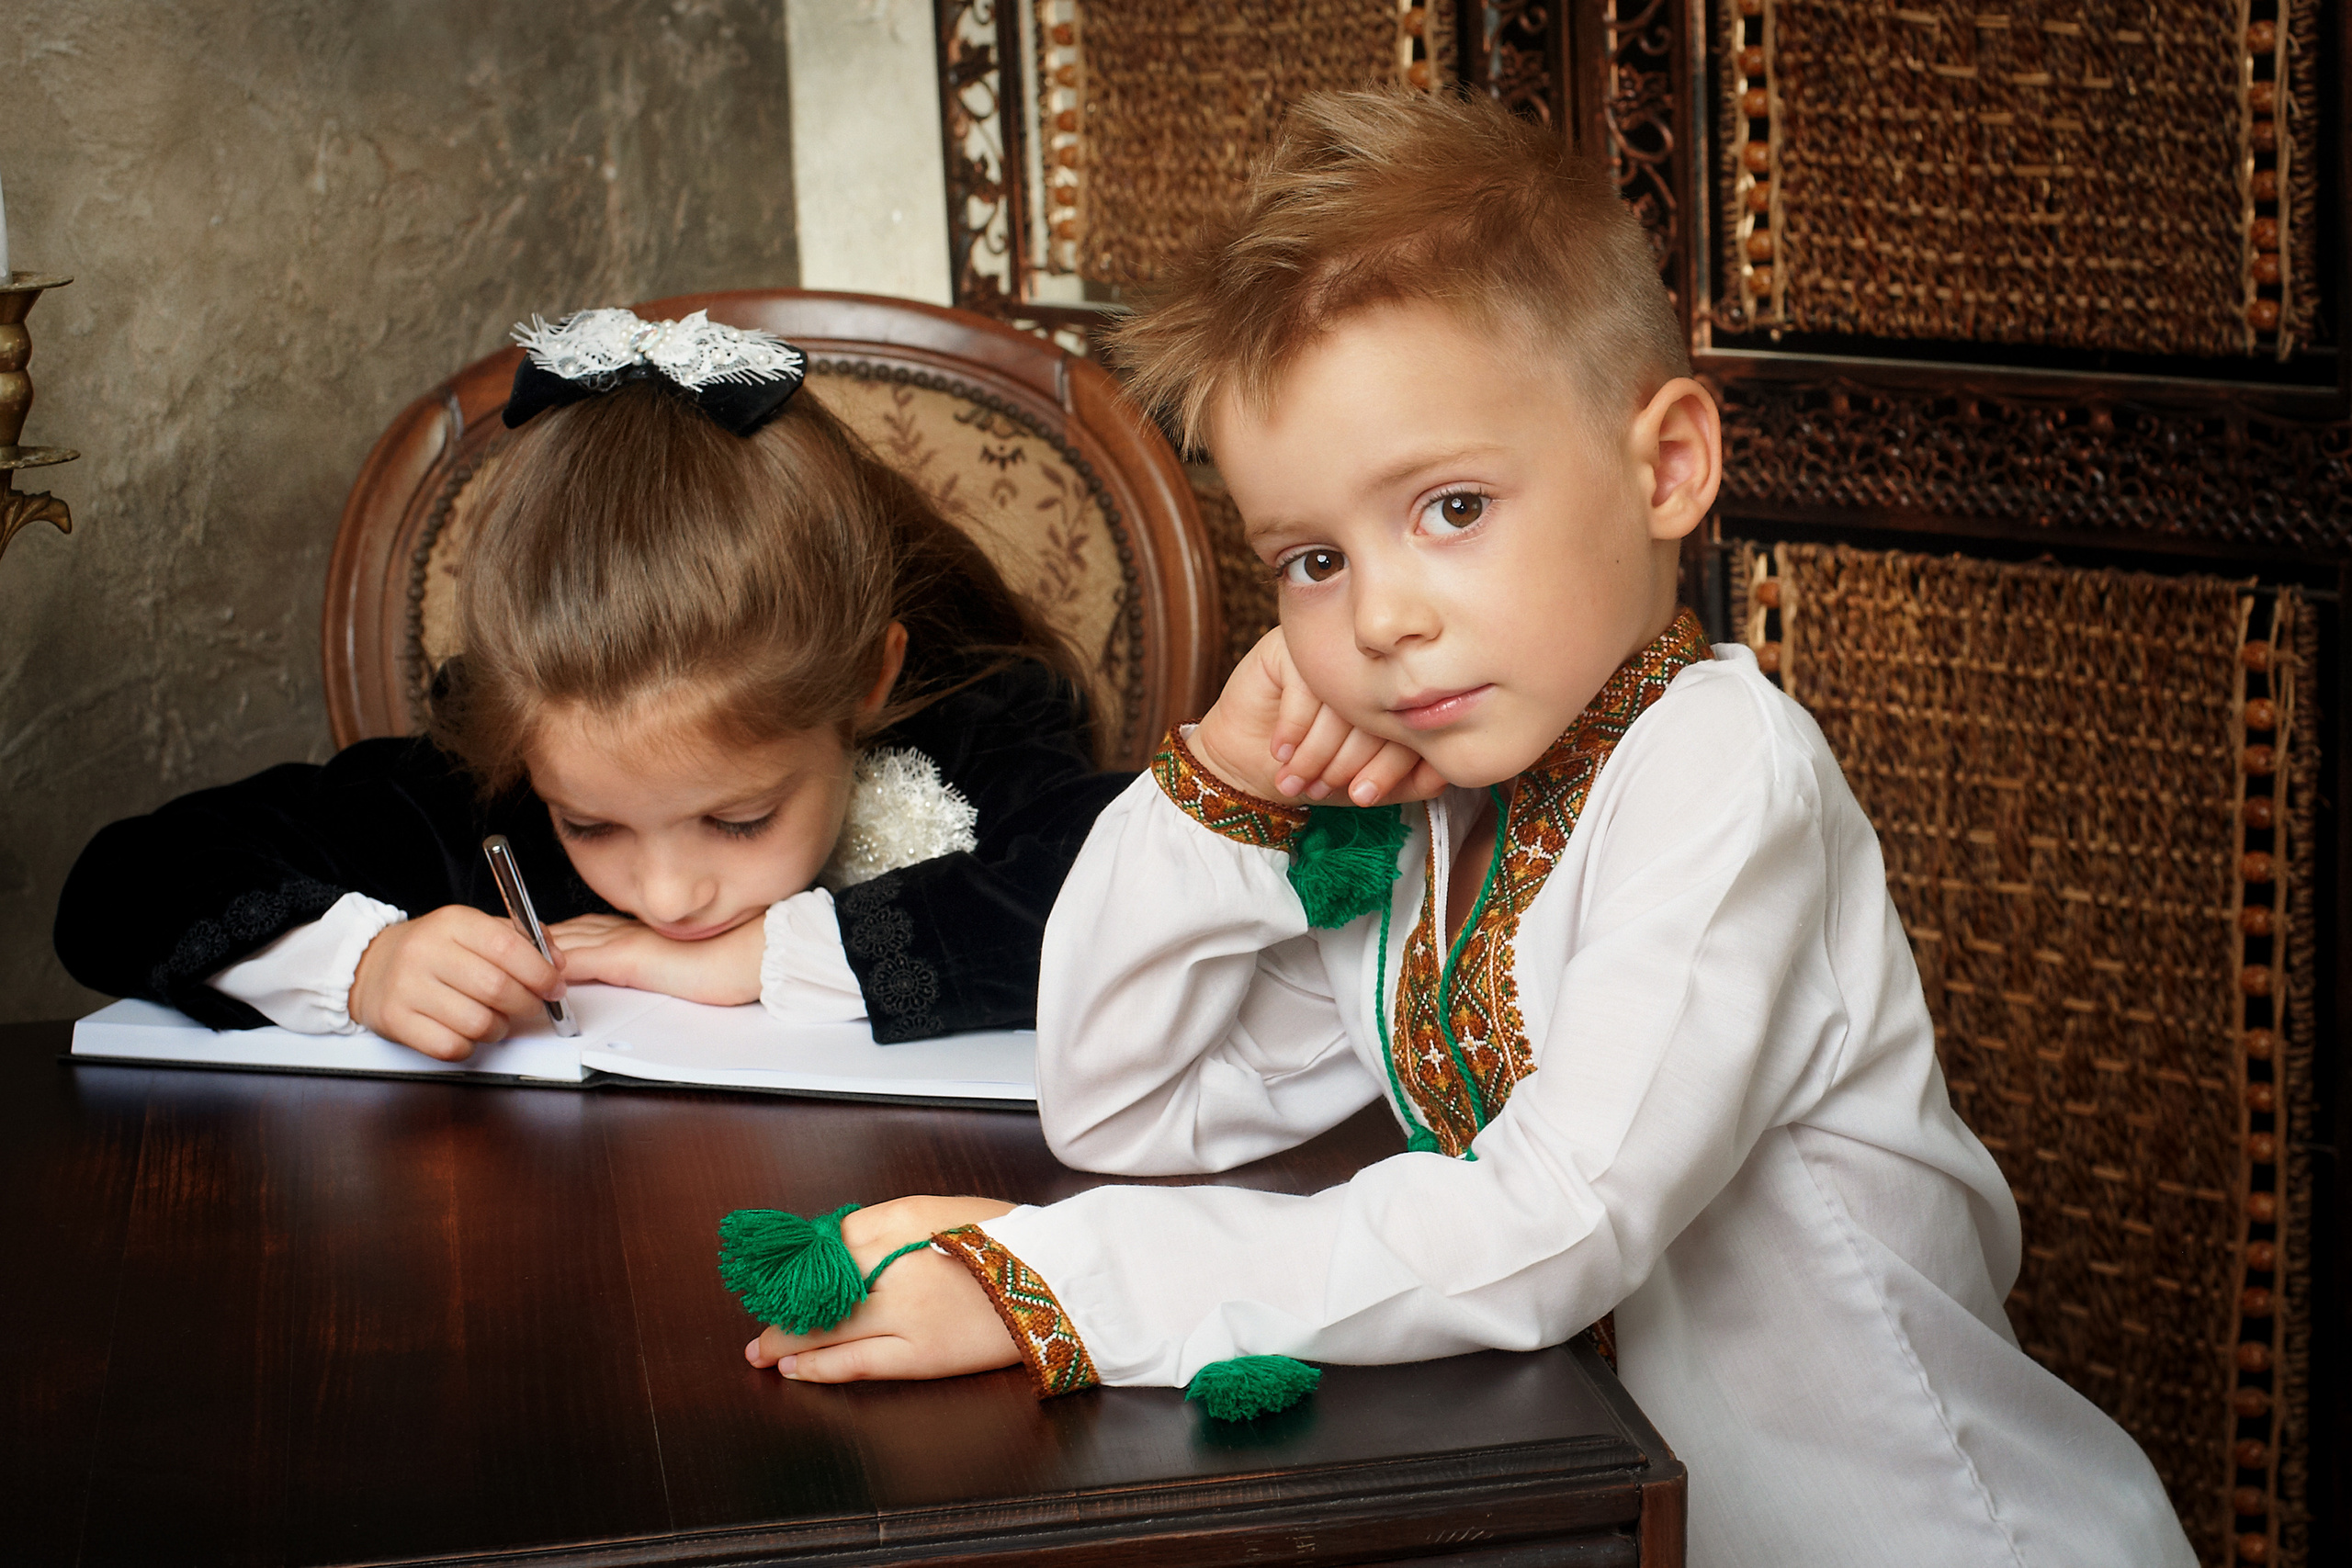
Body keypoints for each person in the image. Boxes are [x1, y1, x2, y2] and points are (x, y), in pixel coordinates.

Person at [729, 93, 2195, 1567]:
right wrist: (1218, 786)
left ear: (1667, 464)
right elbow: (1122, 1105)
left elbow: (1557, 1221)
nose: (1380, 616)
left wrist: (1050, 1278)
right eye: (1312, 557)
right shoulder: (1438, 815)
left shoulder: (1723, 770)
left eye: (1451, 506)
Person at [56, 307, 1131, 1057]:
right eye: (594, 827)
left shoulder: (980, 727)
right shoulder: (492, 785)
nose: (665, 896)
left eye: (741, 817)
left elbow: (1152, 894)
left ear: (863, 681)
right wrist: (363, 964)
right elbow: (120, 886)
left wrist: (777, 957)